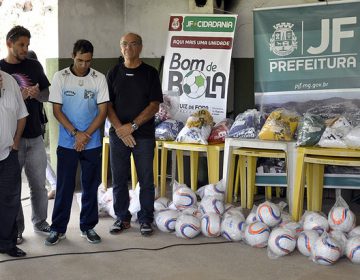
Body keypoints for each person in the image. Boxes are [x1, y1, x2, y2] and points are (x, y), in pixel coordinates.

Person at [46, 39, 109, 246]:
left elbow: (102, 112)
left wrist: (85, 135)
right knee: (64, 186)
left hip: (91, 143)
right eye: (80, 60)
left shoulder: (98, 78)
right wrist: (75, 134)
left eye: (88, 61)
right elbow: (57, 110)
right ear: (73, 55)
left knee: (91, 186)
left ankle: (88, 227)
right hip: (67, 143)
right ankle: (58, 229)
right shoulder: (60, 77)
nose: (84, 65)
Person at [107, 32, 163, 236]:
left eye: (132, 44)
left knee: (146, 179)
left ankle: (146, 219)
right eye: (124, 44)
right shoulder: (113, 72)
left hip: (144, 135)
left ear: (140, 47)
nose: (127, 48)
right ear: (120, 47)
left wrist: (132, 126)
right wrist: (121, 130)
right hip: (119, 135)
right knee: (119, 178)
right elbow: (107, 105)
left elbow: (154, 105)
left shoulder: (150, 73)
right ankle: (122, 218)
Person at [0, 26, 51, 245]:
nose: (25, 49)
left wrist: (35, 93)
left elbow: (47, 94)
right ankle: (17, 229)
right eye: (21, 45)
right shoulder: (1, 70)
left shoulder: (34, 65)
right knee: (13, 188)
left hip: (35, 134)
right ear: (9, 44)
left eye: (27, 45)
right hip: (11, 140)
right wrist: (17, 95)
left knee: (38, 183)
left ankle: (40, 221)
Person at [0, 69, 28, 257]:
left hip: (7, 153)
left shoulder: (9, 80)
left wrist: (16, 139)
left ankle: (7, 243)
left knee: (10, 201)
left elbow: (21, 114)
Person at [26, 50, 57, 200]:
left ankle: (55, 183)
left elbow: (46, 96)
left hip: (35, 124)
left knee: (39, 158)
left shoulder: (35, 80)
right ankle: (54, 183)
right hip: (28, 124)